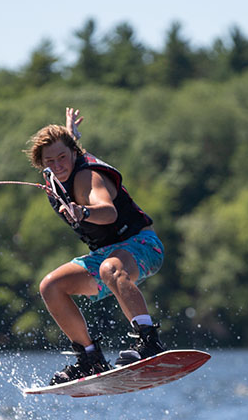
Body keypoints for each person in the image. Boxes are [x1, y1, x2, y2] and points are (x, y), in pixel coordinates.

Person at [25, 107, 166, 385]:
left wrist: (85, 212)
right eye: (50, 161)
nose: (58, 165)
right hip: (104, 256)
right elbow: (65, 152)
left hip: (144, 246)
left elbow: (108, 212)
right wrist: (70, 136)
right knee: (50, 286)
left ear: (74, 154)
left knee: (109, 268)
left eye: (63, 157)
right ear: (42, 165)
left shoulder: (87, 176)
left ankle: (149, 341)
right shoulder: (54, 180)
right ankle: (90, 358)